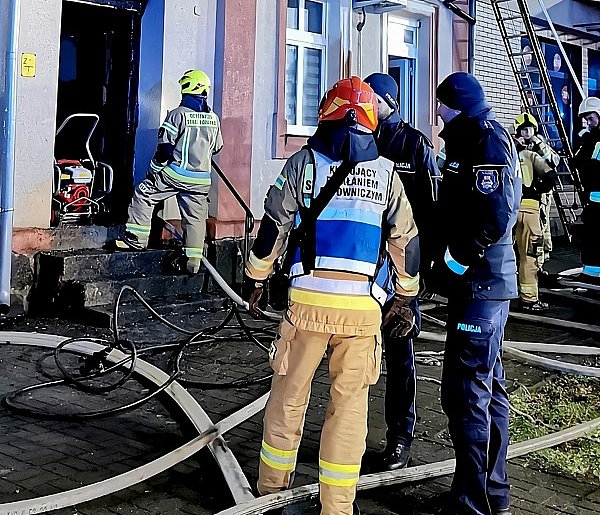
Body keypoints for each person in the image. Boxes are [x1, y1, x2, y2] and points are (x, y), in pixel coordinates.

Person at [242, 76, 420, 515]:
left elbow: (272, 229)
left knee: (288, 398)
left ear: (327, 114)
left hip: (308, 307)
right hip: (362, 313)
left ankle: (270, 494)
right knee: (350, 409)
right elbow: (406, 243)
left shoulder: (302, 164)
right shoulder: (385, 173)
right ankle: (337, 507)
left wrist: (256, 278)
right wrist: (405, 295)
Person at [431, 72, 521, 515]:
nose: (437, 112)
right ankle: (490, 493)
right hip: (480, 286)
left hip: (481, 285)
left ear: (459, 105)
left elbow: (494, 215)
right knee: (486, 388)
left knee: (467, 394)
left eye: (442, 104)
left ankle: (473, 504)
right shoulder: (471, 140)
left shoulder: (486, 141)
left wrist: (452, 264)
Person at [363, 72, 440, 470]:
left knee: (399, 353)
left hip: (397, 272)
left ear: (390, 101)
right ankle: (351, 437)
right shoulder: (356, 140)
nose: (367, 103)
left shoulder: (413, 144)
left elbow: (430, 211)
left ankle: (400, 439)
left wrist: (421, 271)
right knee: (355, 355)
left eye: (373, 97)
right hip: (359, 269)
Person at [111, 70, 223, 275]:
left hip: (176, 174)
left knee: (144, 193)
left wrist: (152, 171)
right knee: (195, 218)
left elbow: (165, 150)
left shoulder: (178, 115)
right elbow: (217, 147)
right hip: (201, 180)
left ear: (188, 88)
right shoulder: (213, 119)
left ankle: (136, 239)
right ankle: (192, 262)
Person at [512, 127, 557, 312]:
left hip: (506, 212)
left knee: (503, 254)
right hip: (530, 210)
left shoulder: (500, 156)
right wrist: (537, 190)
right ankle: (529, 300)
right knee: (529, 256)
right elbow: (551, 175)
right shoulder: (531, 155)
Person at [513, 113, 560, 270]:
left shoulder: (540, 145)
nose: (527, 133)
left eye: (530, 130)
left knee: (542, 226)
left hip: (541, 194)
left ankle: (540, 263)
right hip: (520, 195)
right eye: (524, 130)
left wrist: (540, 145)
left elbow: (554, 161)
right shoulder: (513, 145)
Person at [572, 96, 600, 284]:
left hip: (597, 200)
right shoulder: (591, 139)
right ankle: (592, 273)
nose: (588, 123)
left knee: (594, 238)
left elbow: (588, 165)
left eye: (591, 119)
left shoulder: (595, 140)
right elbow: (576, 162)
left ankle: (592, 273)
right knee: (592, 237)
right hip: (593, 199)